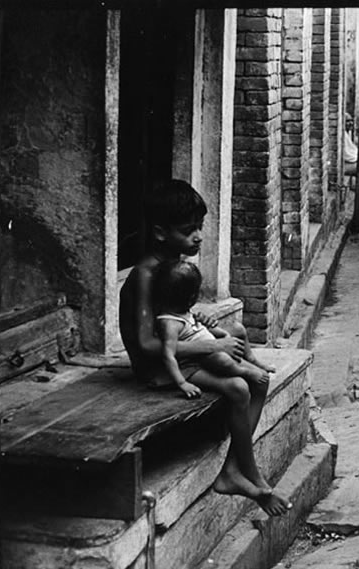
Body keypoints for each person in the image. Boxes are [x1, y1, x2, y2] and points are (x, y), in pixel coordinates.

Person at [119, 179, 292, 516]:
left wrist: (206, 328)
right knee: (241, 387)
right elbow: (145, 343)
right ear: (159, 232)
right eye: (188, 230)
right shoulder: (145, 274)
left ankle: (231, 471)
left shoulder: (173, 267)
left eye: (199, 227)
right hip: (159, 369)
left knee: (256, 375)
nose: (198, 236)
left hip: (181, 355)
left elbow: (175, 316)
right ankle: (251, 473)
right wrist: (211, 346)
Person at [153, 259, 273, 398]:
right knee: (222, 359)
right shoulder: (170, 323)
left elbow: (196, 329)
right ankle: (244, 371)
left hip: (207, 342)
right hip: (196, 358)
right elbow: (169, 355)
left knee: (238, 328)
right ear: (191, 297)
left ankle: (253, 360)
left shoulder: (183, 310)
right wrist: (182, 383)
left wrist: (213, 328)